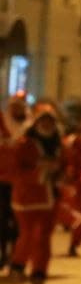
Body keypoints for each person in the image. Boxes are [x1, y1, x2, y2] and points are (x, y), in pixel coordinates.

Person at [6, 102, 63, 284]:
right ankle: (18, 266)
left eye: (50, 121)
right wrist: (41, 171)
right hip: (26, 199)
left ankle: (39, 273)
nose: (47, 125)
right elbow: (15, 171)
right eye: (43, 121)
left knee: (44, 238)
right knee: (30, 235)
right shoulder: (25, 143)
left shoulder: (58, 143)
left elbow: (66, 165)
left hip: (49, 199)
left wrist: (61, 174)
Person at [57, 108, 81, 257]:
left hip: (80, 182)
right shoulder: (72, 142)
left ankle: (74, 243)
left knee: (78, 215)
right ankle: (73, 242)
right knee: (77, 215)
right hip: (74, 183)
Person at [0, 93, 28, 266]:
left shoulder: (29, 128)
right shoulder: (3, 125)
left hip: (21, 183)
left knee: (19, 222)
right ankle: (4, 254)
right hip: (2, 181)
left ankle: (17, 257)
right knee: (2, 220)